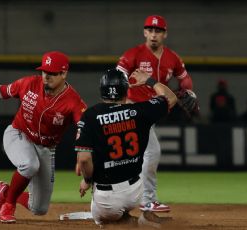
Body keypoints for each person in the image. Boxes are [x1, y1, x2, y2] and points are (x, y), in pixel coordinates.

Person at [0, 51, 87, 224]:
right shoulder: (29, 83)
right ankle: (8, 206)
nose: (46, 77)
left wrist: (83, 153)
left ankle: (5, 192)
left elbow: (85, 127)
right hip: (18, 134)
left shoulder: (73, 101)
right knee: (29, 164)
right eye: (44, 71)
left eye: (52, 73)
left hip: (46, 148)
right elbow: (3, 91)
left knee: (39, 208)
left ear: (64, 74)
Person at [75, 69, 177, 225]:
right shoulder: (140, 111)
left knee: (101, 219)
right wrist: (149, 81)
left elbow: (83, 159)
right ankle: (137, 219)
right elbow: (170, 98)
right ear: (126, 90)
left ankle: (134, 223)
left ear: (102, 90)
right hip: (135, 192)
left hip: (106, 199)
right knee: (118, 208)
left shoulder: (90, 116)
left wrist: (87, 180)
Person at [116, 15, 194, 212]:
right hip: (133, 107)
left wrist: (189, 91)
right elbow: (118, 76)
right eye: (150, 30)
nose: (153, 34)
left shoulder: (172, 58)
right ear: (144, 32)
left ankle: (119, 196)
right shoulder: (133, 54)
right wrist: (121, 99)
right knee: (152, 151)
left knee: (134, 155)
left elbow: (184, 80)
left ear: (164, 34)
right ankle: (146, 199)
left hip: (153, 111)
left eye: (158, 31)